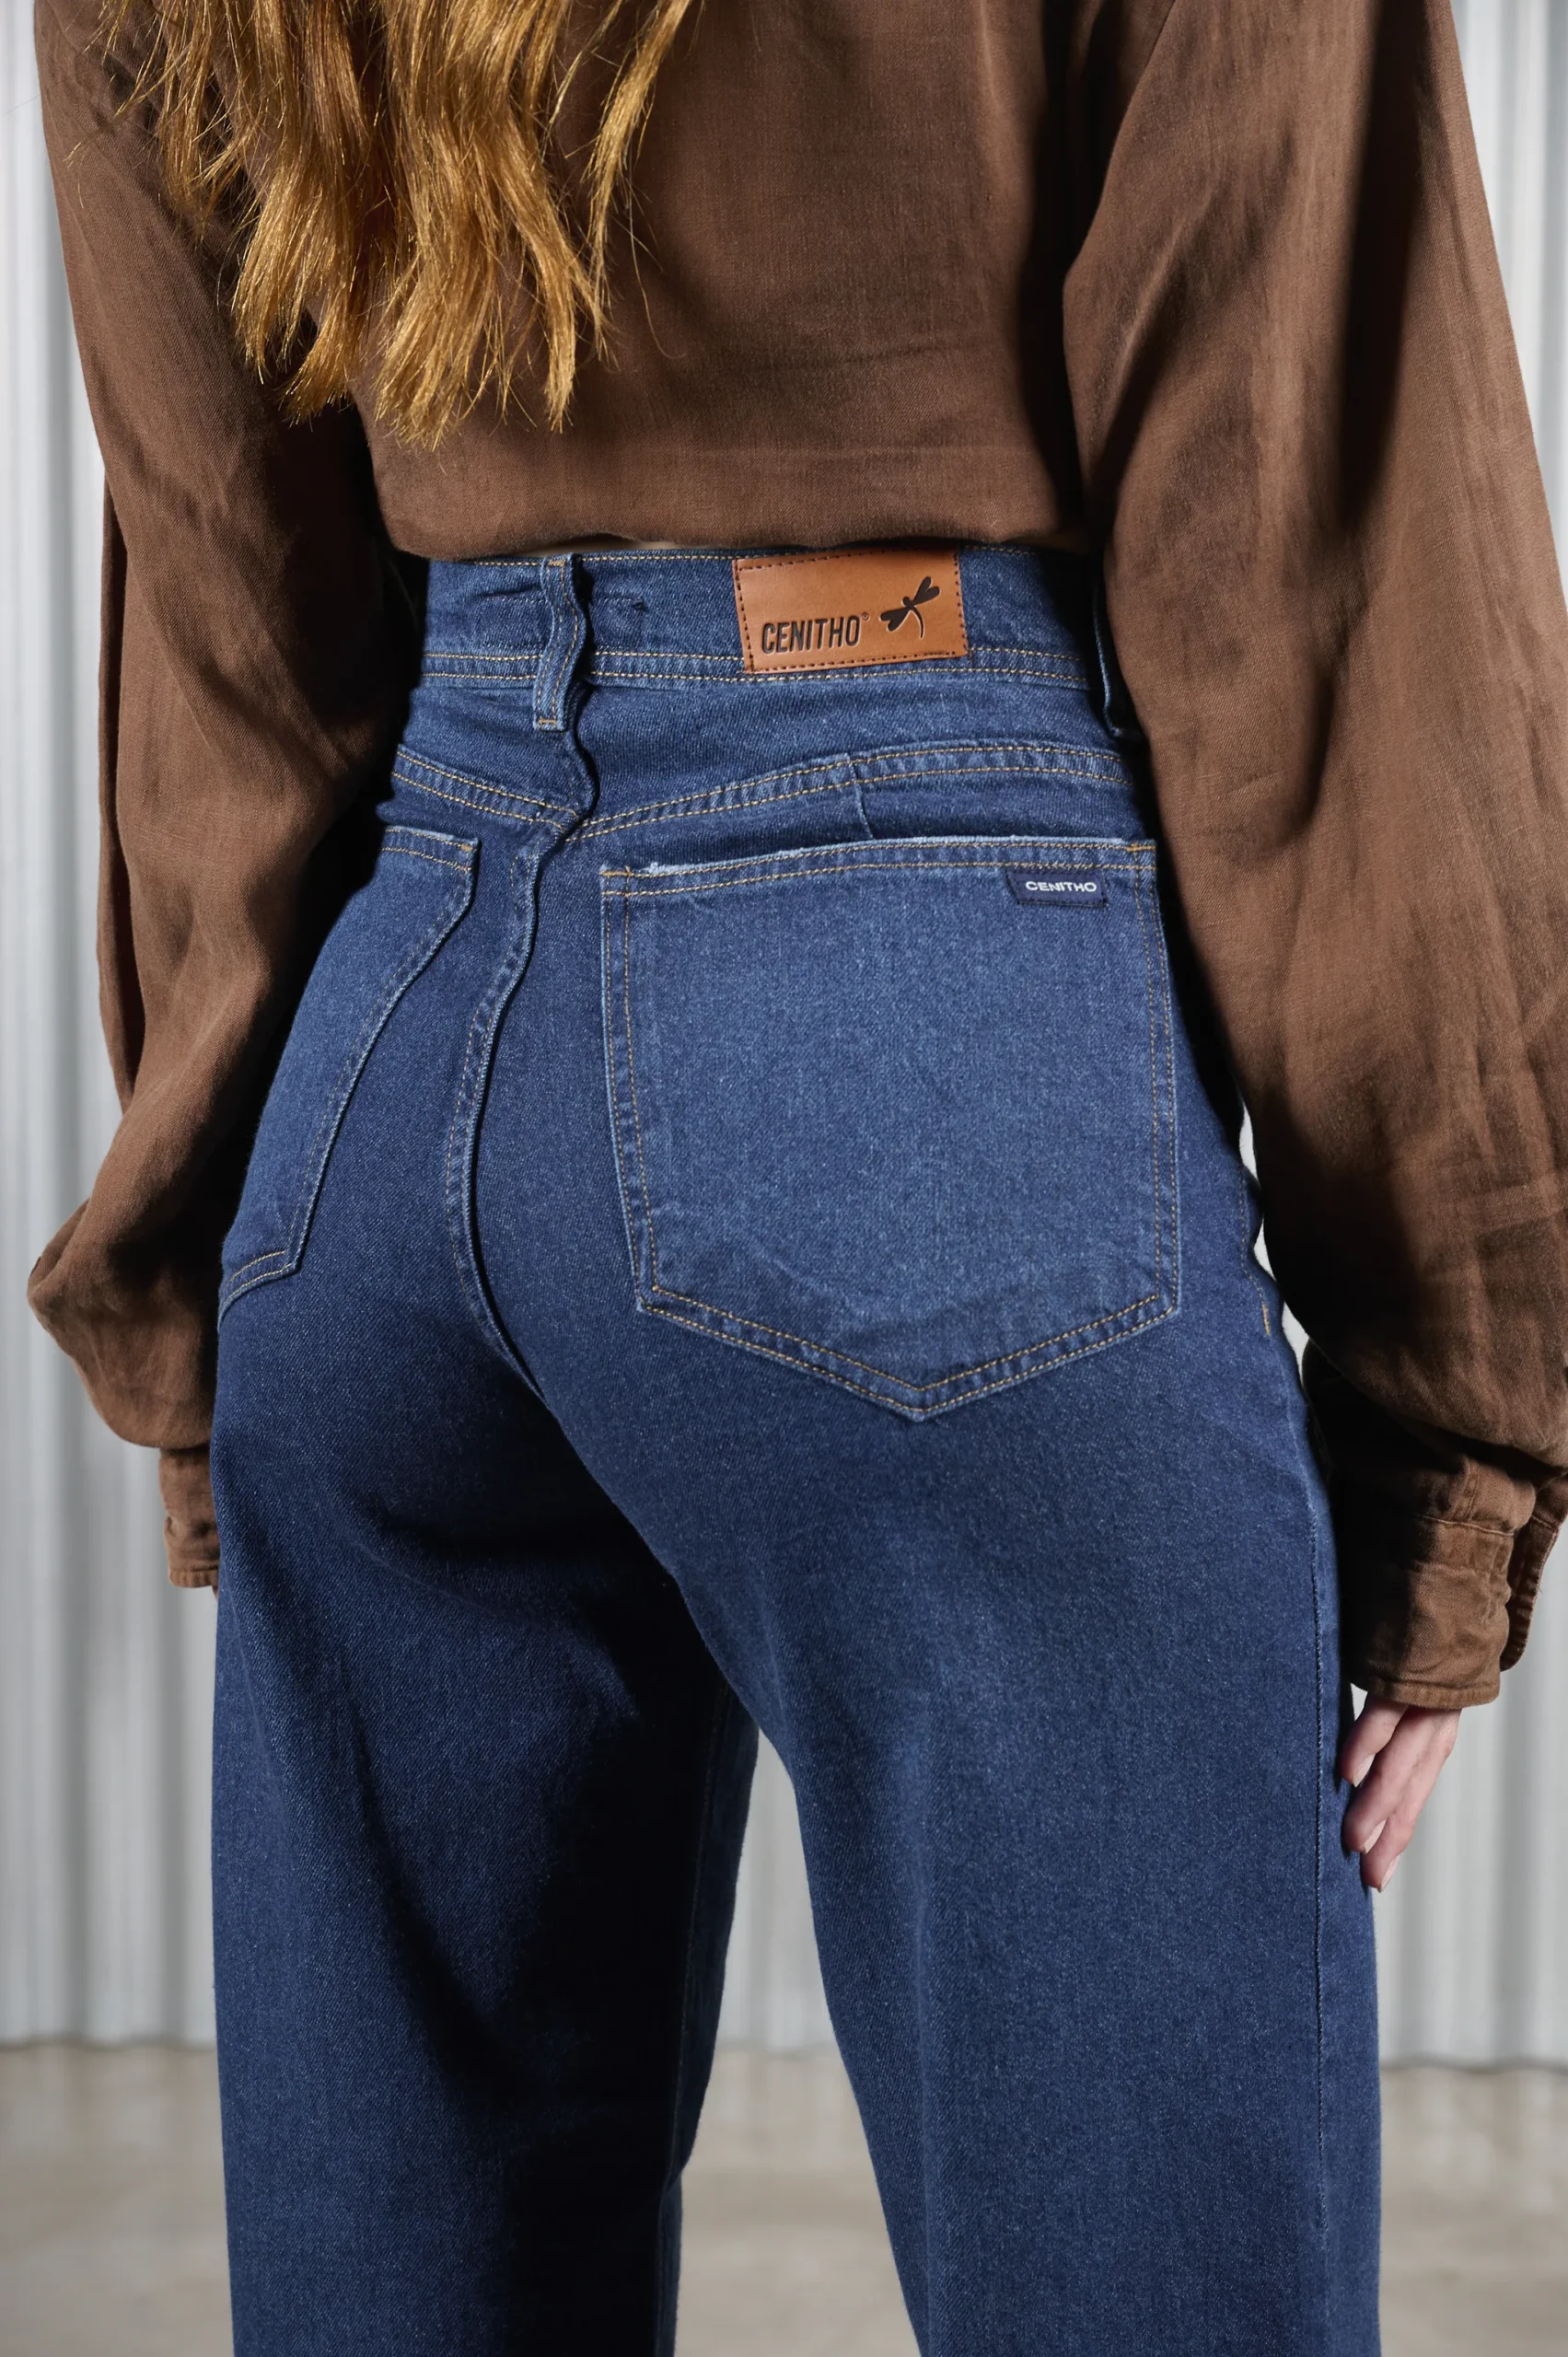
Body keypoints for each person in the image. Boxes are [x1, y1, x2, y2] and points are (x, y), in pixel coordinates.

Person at [31, 0, 1568, 2348]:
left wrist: (218, 1303)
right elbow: (1311, 525)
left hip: (391, 1047)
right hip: (934, 1029)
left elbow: (229, 585)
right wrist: (1455, 1425)